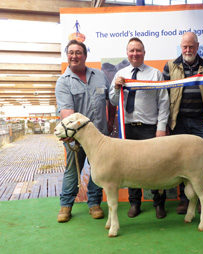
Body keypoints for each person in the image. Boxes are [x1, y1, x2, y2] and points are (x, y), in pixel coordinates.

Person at [163, 32, 203, 214]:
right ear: (181, 47)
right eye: (185, 47)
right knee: (179, 163)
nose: (188, 50)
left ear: (197, 47)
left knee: (202, 162)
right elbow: (163, 95)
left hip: (201, 122)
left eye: (191, 46)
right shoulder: (170, 66)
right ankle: (185, 201)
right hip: (178, 122)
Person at [109, 37, 169, 219]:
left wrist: (161, 128)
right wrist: (116, 88)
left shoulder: (155, 74)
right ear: (127, 53)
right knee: (130, 167)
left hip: (149, 128)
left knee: (156, 167)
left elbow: (164, 103)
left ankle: (159, 203)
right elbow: (112, 100)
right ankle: (134, 203)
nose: (135, 53)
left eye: (138, 50)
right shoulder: (120, 74)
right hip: (127, 129)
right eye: (131, 50)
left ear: (144, 52)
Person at [55, 39, 114, 222]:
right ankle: (66, 206)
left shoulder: (99, 75)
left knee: (97, 169)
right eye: (71, 53)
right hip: (76, 137)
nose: (74, 56)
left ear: (85, 56)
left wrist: (111, 121)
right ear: (67, 56)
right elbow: (67, 113)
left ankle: (94, 203)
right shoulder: (63, 82)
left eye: (78, 52)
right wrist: (71, 135)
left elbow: (110, 100)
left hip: (100, 135)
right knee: (73, 169)